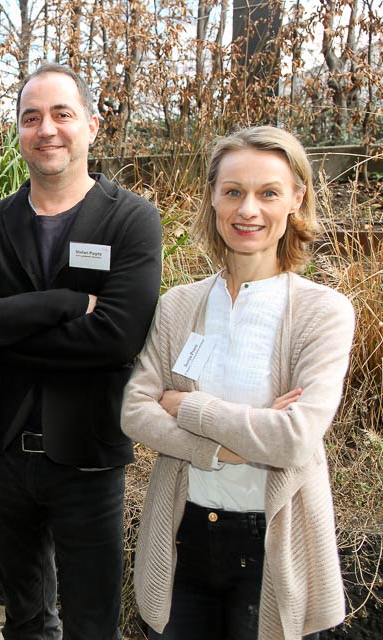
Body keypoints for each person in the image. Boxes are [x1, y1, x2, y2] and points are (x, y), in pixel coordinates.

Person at [0, 63, 163, 639]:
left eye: (62, 114)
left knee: (92, 624)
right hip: (4, 455)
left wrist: (1, 334)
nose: (47, 129)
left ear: (91, 125)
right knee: (26, 620)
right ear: (18, 130)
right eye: (31, 117)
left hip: (88, 454)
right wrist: (62, 303)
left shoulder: (131, 219)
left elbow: (116, 337)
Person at [121, 125, 353, 640]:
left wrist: (188, 407)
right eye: (233, 191)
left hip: (272, 547)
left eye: (268, 193)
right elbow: (135, 411)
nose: (248, 210)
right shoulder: (179, 305)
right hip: (183, 538)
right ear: (213, 197)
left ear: (296, 198)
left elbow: (293, 439)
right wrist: (226, 448)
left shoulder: (323, 312)